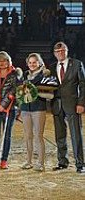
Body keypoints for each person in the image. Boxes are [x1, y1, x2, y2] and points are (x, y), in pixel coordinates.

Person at [50, 41, 85, 173]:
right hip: (57, 105)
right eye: (58, 52)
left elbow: (83, 84)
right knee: (60, 135)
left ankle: (80, 164)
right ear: (54, 54)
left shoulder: (76, 64)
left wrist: (81, 103)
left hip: (73, 105)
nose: (60, 53)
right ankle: (62, 161)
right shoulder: (52, 67)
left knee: (76, 135)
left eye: (63, 50)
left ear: (67, 51)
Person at [20, 53, 50, 172]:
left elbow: (50, 94)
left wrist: (35, 91)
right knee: (28, 136)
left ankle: (41, 163)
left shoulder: (45, 74)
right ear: (27, 64)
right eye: (30, 62)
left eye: (34, 62)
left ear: (39, 63)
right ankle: (28, 161)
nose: (32, 64)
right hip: (25, 109)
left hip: (38, 108)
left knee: (38, 135)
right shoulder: (25, 75)